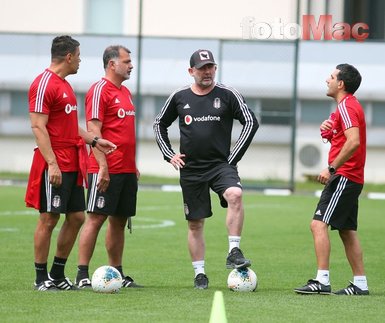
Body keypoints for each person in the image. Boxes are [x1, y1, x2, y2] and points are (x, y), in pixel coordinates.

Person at [153, 49, 259, 289]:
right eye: (201, 68)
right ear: (191, 71)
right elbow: (159, 123)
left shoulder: (228, 94)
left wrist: (233, 158)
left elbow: (251, 122)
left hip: (221, 165)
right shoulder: (179, 96)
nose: (207, 71)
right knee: (195, 223)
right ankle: (200, 273)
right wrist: (169, 154)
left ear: (215, 68)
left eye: (210, 66)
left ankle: (234, 250)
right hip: (191, 169)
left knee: (235, 194)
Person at [25, 35, 116, 292]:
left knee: (76, 216)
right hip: (55, 161)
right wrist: (51, 163)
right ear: (68, 57)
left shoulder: (64, 85)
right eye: (78, 56)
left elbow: (70, 126)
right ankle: (41, 278)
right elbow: (37, 126)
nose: (80, 60)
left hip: (73, 161)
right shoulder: (43, 83)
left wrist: (95, 140)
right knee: (49, 218)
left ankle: (57, 273)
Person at [294, 63, 369, 296]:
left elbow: (354, 141)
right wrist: (328, 130)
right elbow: (343, 137)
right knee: (347, 230)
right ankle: (360, 284)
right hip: (352, 176)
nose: (327, 80)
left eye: (332, 76)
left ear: (341, 84)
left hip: (344, 175)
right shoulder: (344, 108)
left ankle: (322, 281)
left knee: (318, 224)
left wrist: (331, 168)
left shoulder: (347, 106)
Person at [75, 45, 142, 289]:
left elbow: (125, 133)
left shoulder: (125, 92)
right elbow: (94, 131)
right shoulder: (99, 90)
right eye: (126, 61)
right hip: (105, 169)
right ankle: (82, 274)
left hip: (125, 169)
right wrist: (102, 166)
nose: (131, 65)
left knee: (119, 222)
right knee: (95, 219)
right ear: (112, 64)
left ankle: (117, 273)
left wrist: (133, 165)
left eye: (130, 61)